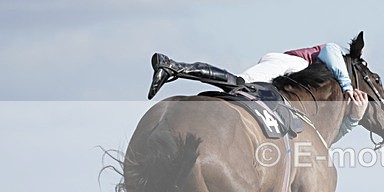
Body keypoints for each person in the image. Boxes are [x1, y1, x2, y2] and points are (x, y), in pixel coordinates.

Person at [147, 42, 367, 142]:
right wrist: (347, 87)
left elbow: (323, 139)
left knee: (241, 87)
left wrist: (354, 119)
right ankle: (173, 66)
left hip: (282, 85)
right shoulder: (335, 56)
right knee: (240, 83)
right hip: (288, 64)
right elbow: (330, 48)